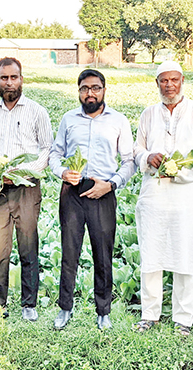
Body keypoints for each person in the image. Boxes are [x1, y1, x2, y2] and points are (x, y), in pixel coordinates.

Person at [133, 61, 193, 336]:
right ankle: (150, 315)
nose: (169, 86)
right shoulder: (148, 114)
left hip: (186, 195)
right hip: (154, 196)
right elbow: (137, 148)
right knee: (152, 253)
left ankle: (183, 318)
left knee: (185, 254)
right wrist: (148, 158)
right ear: (157, 83)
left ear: (183, 81)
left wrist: (180, 172)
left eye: (174, 80)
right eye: (163, 81)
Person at [49, 69, 135, 331]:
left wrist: (110, 185)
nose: (90, 93)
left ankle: (103, 311)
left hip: (103, 193)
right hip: (73, 191)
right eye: (85, 88)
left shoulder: (118, 121)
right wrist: (62, 172)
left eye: (95, 88)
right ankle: (65, 308)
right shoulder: (68, 119)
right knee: (69, 253)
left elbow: (129, 162)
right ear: (78, 91)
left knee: (103, 253)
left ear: (104, 90)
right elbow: (55, 153)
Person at [0, 57, 53, 326]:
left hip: (27, 189)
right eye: (4, 78)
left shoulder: (37, 111)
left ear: (22, 79)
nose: (9, 82)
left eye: (14, 77)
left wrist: (23, 172)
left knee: (28, 245)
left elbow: (47, 148)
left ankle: (29, 304)